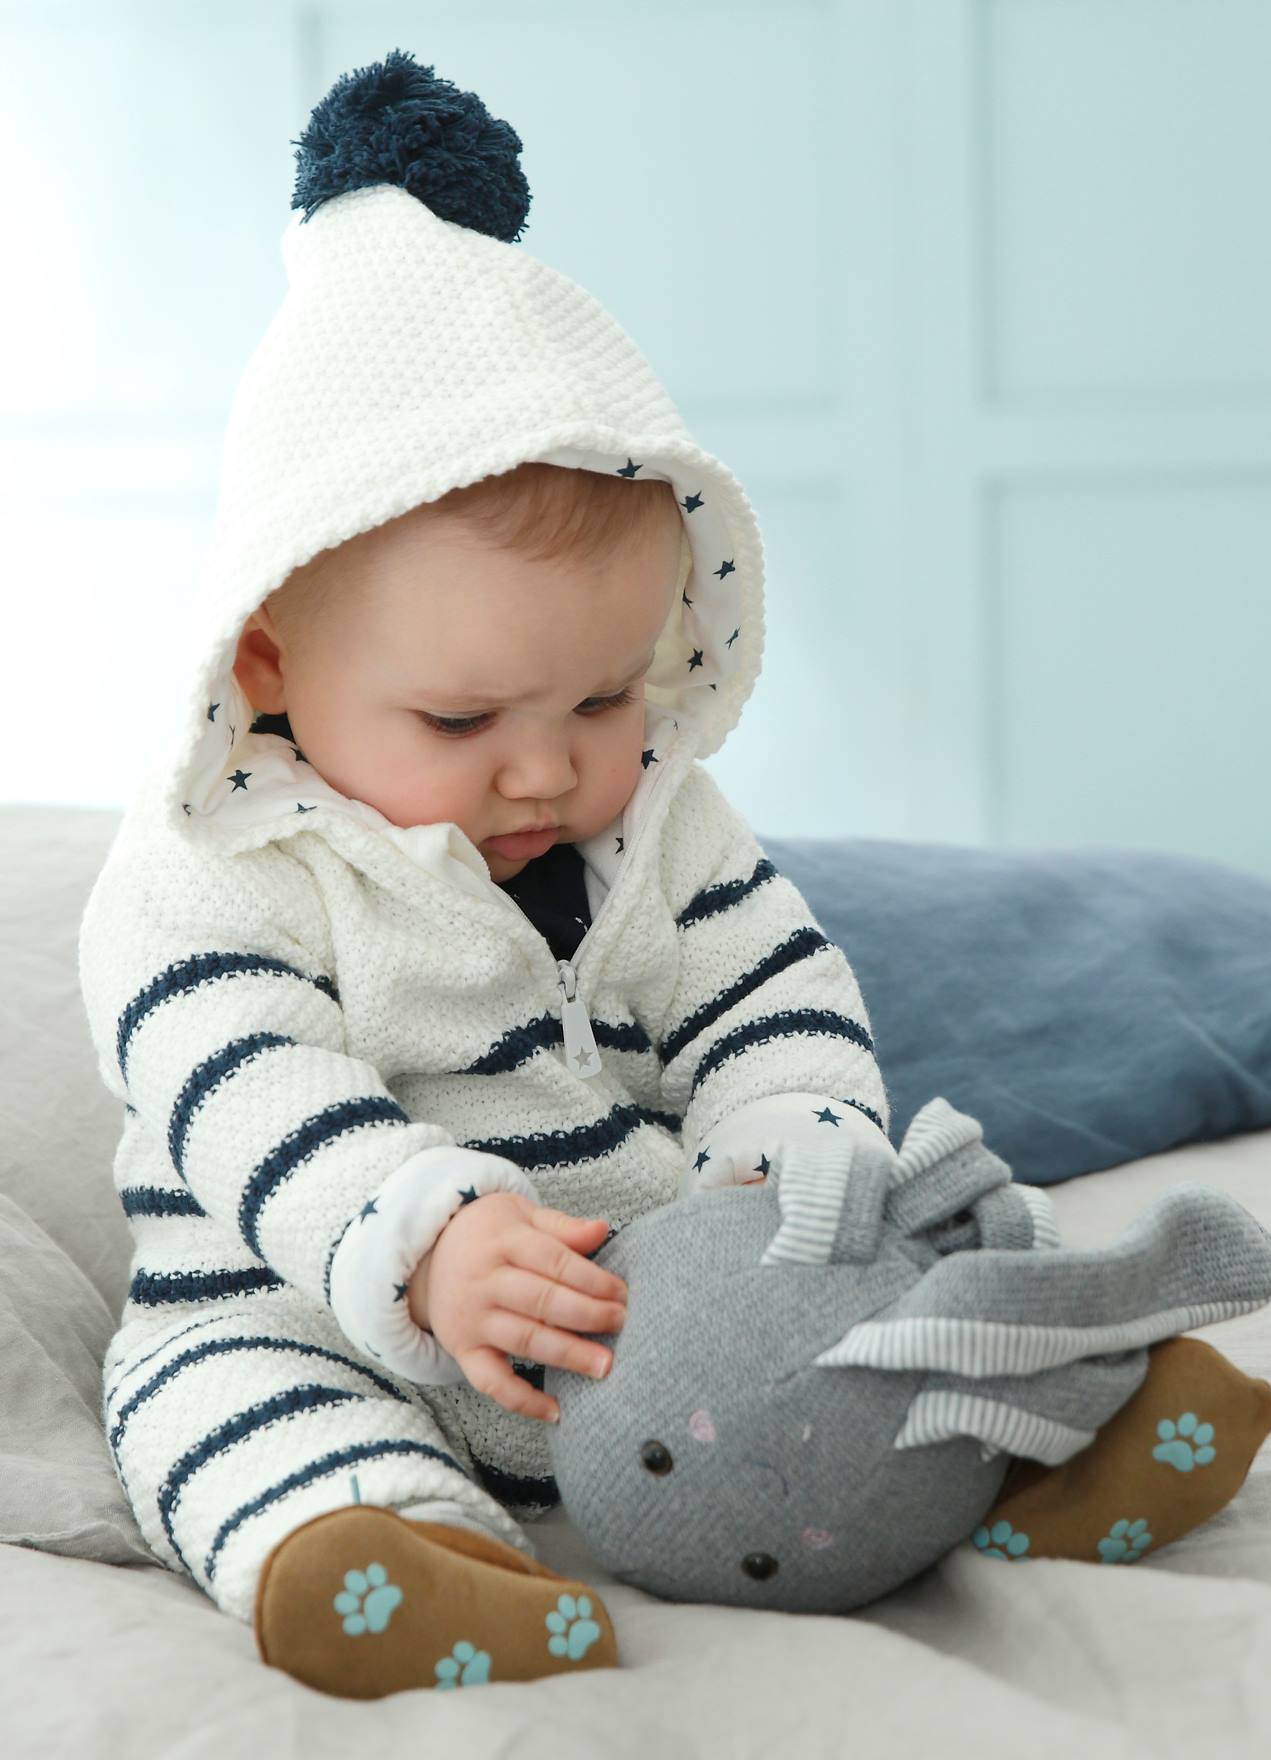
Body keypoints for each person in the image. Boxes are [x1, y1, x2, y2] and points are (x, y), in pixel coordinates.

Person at [76, 51, 904, 1694]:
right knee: (212, 1400)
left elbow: (775, 990)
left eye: (605, 695)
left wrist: (785, 1146)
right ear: (267, 665)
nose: (549, 769)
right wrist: (420, 1239)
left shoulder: (655, 822)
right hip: (321, 1302)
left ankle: (1036, 1425)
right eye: (461, 716)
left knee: (891, 1299)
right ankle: (384, 1554)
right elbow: (241, 1087)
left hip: (644, 1310)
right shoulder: (210, 875)